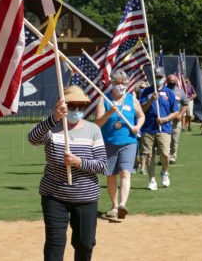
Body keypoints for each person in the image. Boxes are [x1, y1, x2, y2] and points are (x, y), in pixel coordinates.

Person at [28, 85, 107, 261]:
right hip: (54, 195)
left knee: (85, 244)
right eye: (72, 106)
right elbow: (32, 139)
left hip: (85, 197)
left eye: (81, 106)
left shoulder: (93, 130)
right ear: (62, 105)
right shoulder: (52, 127)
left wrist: (79, 163)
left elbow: (102, 165)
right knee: (55, 245)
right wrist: (54, 118)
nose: (77, 110)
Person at [95, 69, 145, 219]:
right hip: (109, 142)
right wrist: (109, 112)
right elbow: (97, 123)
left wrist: (137, 127)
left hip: (128, 141)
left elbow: (141, 116)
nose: (120, 85)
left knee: (125, 172)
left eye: (123, 83)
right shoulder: (103, 99)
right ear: (112, 82)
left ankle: (123, 204)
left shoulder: (131, 99)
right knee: (111, 175)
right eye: (117, 83)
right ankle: (114, 206)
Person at [140, 67, 179, 190]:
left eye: (160, 77)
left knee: (165, 154)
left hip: (164, 128)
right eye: (156, 77)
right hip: (148, 128)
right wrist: (151, 99)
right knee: (149, 155)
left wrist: (166, 119)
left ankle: (164, 172)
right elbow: (141, 109)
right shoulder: (147, 91)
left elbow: (175, 111)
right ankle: (152, 180)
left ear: (164, 77)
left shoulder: (169, 92)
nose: (158, 79)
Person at [166, 74, 188, 165]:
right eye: (170, 82)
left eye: (173, 82)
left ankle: (173, 156)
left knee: (174, 139)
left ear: (176, 82)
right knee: (165, 139)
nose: (171, 83)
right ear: (167, 81)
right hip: (165, 119)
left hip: (176, 119)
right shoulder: (163, 91)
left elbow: (185, 104)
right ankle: (165, 156)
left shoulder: (180, 92)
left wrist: (181, 114)